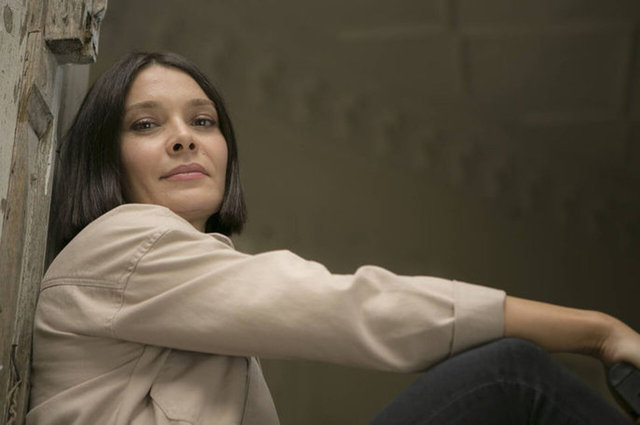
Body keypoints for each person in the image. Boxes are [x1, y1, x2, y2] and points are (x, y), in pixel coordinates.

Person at [26, 51, 640, 425]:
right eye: (145, 124)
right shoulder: (123, 244)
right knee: (510, 377)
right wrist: (599, 332)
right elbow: (352, 309)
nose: (184, 137)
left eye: (203, 120)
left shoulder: (182, 292)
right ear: (105, 161)